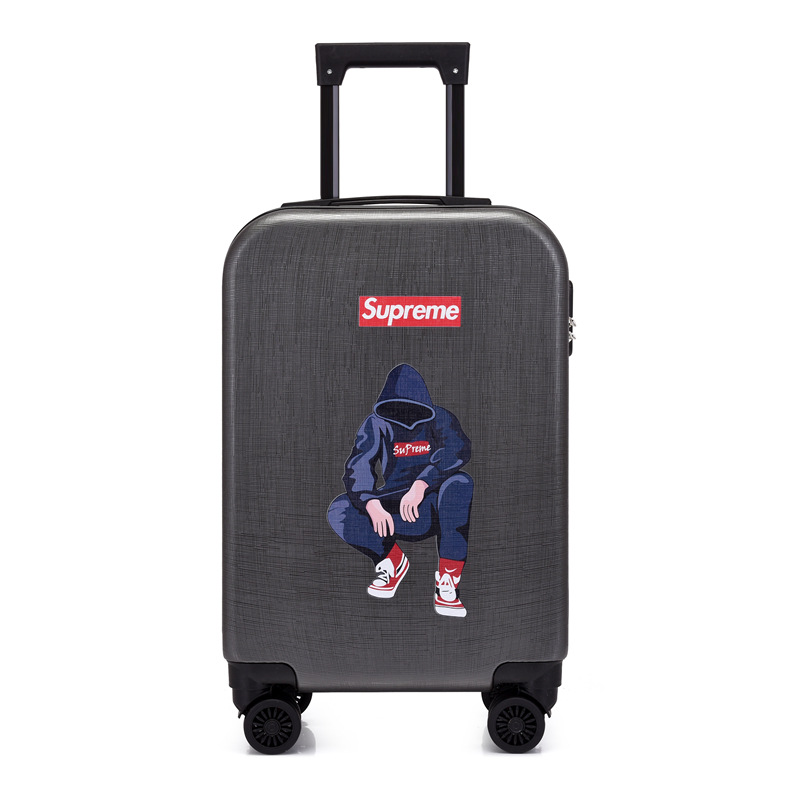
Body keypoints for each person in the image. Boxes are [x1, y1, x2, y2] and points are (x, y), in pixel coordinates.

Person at [327, 364, 474, 617]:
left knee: (460, 482)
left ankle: (448, 581)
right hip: (395, 512)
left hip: (436, 507)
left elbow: (458, 450)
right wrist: (371, 504)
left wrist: (421, 484)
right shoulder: (376, 423)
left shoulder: (440, 417)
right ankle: (392, 561)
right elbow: (358, 466)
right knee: (340, 509)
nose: (405, 415)